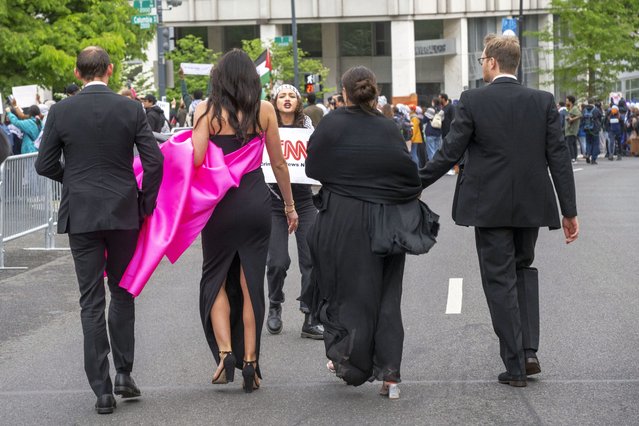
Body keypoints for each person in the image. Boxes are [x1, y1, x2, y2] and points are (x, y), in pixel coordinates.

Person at [419, 34, 579, 387]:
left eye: (482, 61)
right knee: (523, 269)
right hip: (531, 204)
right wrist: (569, 210)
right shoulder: (542, 100)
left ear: (492, 62)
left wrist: (413, 184)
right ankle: (529, 351)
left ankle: (515, 362)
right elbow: (559, 159)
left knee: (499, 279)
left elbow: (449, 153)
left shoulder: (473, 100)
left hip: (487, 206)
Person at [34, 46, 164, 414]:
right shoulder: (130, 108)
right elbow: (153, 161)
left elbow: (44, 164)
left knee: (90, 299)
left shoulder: (60, 111)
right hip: (123, 210)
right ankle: (124, 371)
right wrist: (144, 201)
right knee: (123, 291)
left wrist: (73, 181)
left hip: (82, 213)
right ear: (110, 70)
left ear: (77, 73)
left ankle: (102, 390)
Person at [304, 66, 438, 399]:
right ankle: (390, 375)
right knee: (388, 294)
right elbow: (409, 174)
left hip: (343, 218)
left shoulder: (332, 122)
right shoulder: (388, 127)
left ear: (345, 93)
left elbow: (312, 168)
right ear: (374, 92)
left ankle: (349, 360)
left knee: (344, 290)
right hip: (387, 221)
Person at [191, 49, 297, 394]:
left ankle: (225, 353)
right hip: (255, 202)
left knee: (215, 276)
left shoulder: (206, 111)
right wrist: (290, 207)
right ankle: (251, 359)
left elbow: (196, 159)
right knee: (251, 280)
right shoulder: (264, 110)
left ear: (218, 79)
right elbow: (280, 164)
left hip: (219, 206)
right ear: (252, 78)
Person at [265, 84, 323, 339]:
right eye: (282, 96)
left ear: (298, 102)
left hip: (304, 200)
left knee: (311, 259)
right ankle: (275, 304)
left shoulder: (308, 127)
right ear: (274, 101)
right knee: (277, 261)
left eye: (291, 96)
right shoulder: (264, 126)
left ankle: (310, 315)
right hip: (274, 202)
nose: (286, 100)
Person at [564, 95, 581, 162]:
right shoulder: (570, 109)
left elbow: (580, 115)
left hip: (571, 130)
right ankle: (574, 157)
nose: (566, 102)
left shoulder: (574, 108)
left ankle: (572, 157)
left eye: (567, 100)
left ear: (570, 101)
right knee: (572, 144)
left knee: (570, 144)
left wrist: (571, 119)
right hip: (569, 129)